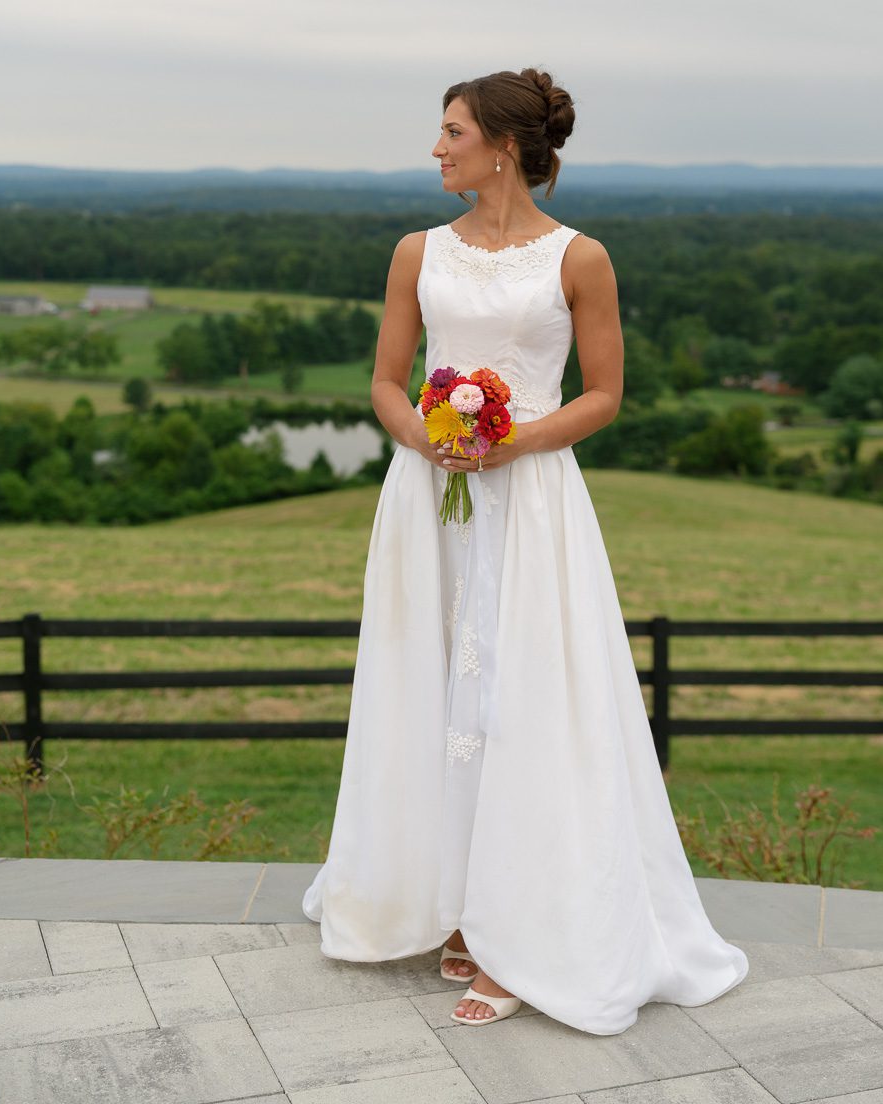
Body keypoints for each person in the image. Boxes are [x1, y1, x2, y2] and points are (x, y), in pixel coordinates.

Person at [302, 66, 749, 1034]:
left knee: (526, 700)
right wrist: (427, 437)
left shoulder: (579, 258)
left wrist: (508, 441)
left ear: (501, 146)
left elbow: (602, 393)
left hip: (532, 499)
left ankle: (524, 932)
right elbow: (385, 381)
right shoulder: (414, 250)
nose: (435, 147)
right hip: (428, 495)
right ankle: (450, 905)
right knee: (433, 687)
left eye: (450, 131)